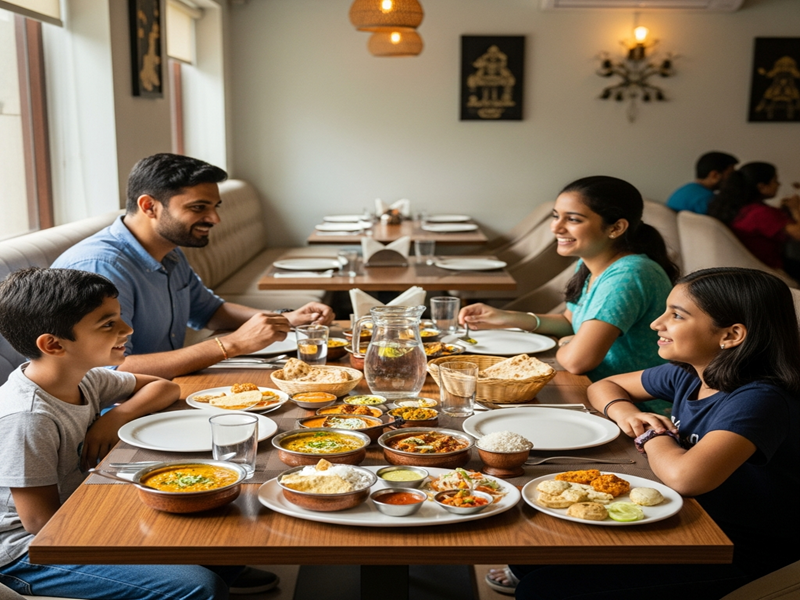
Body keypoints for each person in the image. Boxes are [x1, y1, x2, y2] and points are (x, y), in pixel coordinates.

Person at [506, 267, 800, 600]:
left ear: (731, 335)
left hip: (741, 548)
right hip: (690, 517)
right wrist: (627, 412)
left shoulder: (760, 399)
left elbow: (686, 478)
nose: (656, 323)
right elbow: (605, 386)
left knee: (541, 590)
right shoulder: (690, 372)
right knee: (525, 558)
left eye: (676, 315)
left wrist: (651, 434)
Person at [0, 267, 252, 599]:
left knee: (231, 533)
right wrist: (132, 527)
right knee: (201, 586)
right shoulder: (28, 417)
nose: (127, 328)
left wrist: (116, 417)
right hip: (29, 552)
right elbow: (39, 523)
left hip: (77, 511)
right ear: (54, 344)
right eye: (108, 324)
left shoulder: (85, 377)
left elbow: (164, 387)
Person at [52, 153, 334, 380]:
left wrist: (285, 318)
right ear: (149, 206)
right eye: (199, 208)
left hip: (166, 387)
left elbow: (209, 311)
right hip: (117, 409)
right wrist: (231, 345)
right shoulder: (100, 267)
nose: (214, 219)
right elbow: (110, 371)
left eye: (215, 207)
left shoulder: (170, 249)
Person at [460, 176, 679, 383]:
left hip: (633, 406)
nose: (556, 227)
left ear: (616, 228)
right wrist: (504, 318)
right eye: (556, 216)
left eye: (573, 219)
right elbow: (569, 323)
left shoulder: (629, 274)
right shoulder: (590, 263)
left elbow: (577, 361)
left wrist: (568, 343)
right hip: (596, 388)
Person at [707, 161, 800, 279]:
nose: (779, 184)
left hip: (753, 265)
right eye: (775, 181)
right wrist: (796, 209)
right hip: (769, 268)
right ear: (762, 186)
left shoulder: (740, 208)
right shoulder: (761, 213)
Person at [666, 151, 738, 214]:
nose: (734, 179)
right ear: (714, 175)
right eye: (730, 174)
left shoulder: (686, 189)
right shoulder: (706, 199)